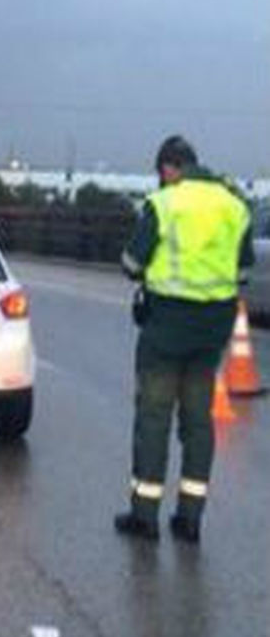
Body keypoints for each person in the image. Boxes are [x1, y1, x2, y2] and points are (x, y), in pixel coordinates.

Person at [114, 135, 254, 543]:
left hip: (165, 328)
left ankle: (145, 516)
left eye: (162, 175)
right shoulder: (234, 206)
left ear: (168, 168)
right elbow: (242, 272)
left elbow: (130, 263)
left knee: (154, 418)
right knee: (198, 421)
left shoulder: (165, 204)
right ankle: (190, 518)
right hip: (212, 330)